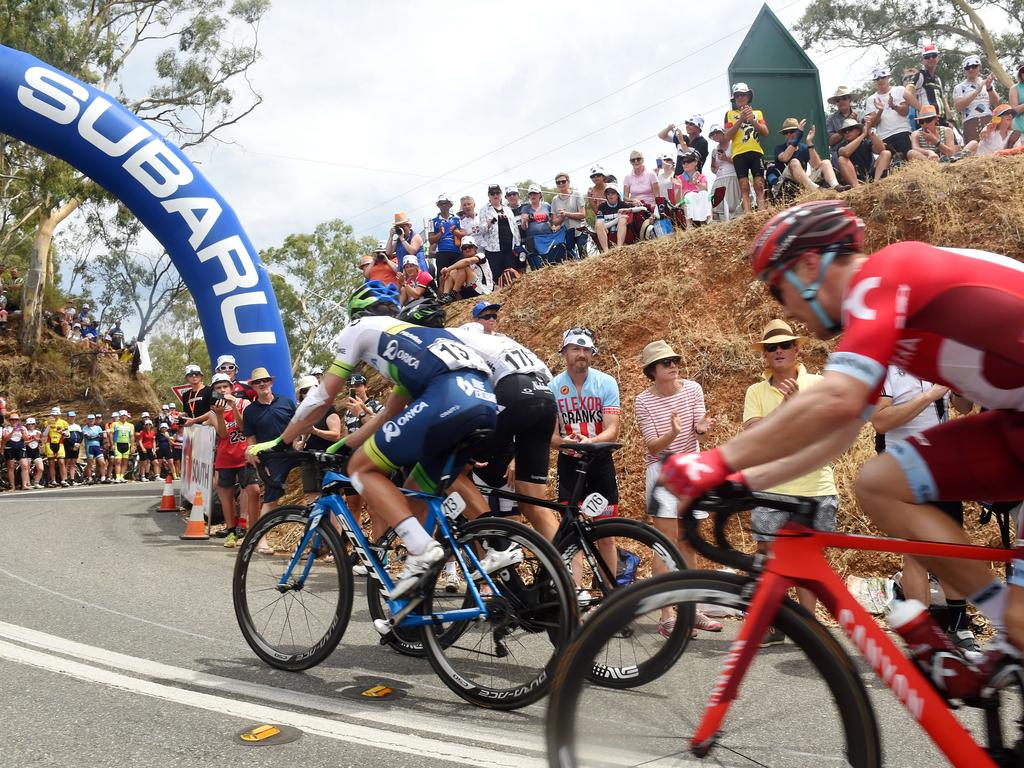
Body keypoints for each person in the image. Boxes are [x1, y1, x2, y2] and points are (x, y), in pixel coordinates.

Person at [659, 199, 1024, 697]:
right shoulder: (876, 315)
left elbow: (835, 399)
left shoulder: (886, 273)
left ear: (810, 264)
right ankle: (1009, 626)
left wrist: (715, 461)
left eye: (779, 289)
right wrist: (743, 481)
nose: (784, 309)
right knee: (878, 483)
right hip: (1014, 422)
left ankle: (1016, 628)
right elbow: (840, 433)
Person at [251, 281, 498, 599]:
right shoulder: (414, 337)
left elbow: (322, 396)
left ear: (355, 312)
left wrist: (282, 441)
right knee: (416, 488)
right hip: (484, 400)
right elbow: (390, 413)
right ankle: (424, 582)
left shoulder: (359, 327)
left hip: (448, 397)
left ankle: (422, 548)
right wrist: (345, 442)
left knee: (361, 468)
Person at [742, 320, 841, 642]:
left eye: (785, 345)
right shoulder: (755, 391)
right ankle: (774, 621)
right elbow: (753, 434)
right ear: (765, 356)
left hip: (815, 487)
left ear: (798, 349)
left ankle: (807, 627)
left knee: (807, 563)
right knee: (768, 557)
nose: (779, 351)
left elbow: (831, 429)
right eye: (772, 347)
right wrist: (786, 408)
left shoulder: (818, 383)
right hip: (771, 488)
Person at [871, 366, 978, 656]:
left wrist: (958, 387)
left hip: (942, 466)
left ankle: (959, 626)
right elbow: (880, 420)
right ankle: (925, 635)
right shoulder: (888, 369)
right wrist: (931, 394)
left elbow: (964, 408)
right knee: (917, 553)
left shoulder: (938, 364)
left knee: (951, 549)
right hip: (902, 468)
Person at [634, 340, 721, 636]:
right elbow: (652, 446)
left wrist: (701, 429)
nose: (673, 366)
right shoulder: (643, 400)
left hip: (690, 469)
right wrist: (674, 430)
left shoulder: (693, 389)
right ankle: (666, 615)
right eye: (665, 363)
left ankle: (692, 608)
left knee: (688, 540)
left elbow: (698, 427)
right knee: (667, 542)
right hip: (663, 471)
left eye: (674, 361)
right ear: (652, 371)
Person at [550, 326, 620, 598]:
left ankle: (611, 595)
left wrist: (590, 442)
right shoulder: (553, 386)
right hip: (569, 465)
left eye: (586, 349)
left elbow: (613, 429)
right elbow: (551, 437)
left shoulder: (606, 382)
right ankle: (576, 592)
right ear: (564, 353)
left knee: (606, 533)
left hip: (599, 463)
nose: (581, 354)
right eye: (575, 349)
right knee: (572, 534)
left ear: (593, 353)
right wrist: (570, 443)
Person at [241, 367, 297, 527]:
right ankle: (261, 538)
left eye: (265, 380)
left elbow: (298, 426)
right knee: (271, 498)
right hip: (271, 458)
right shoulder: (250, 411)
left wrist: (298, 442)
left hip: (294, 453)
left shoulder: (287, 402)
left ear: (271, 382)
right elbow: (251, 441)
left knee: (313, 490)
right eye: (257, 382)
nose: (262, 384)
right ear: (253, 386)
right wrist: (253, 456)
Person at [209, 372, 260, 549]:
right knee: (226, 495)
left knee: (253, 490)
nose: (222, 390)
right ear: (214, 391)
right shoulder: (213, 412)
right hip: (225, 458)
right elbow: (222, 434)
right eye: (218, 388)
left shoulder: (244, 403)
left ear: (231, 388)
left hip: (244, 455)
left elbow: (243, 427)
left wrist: (234, 407)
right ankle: (231, 531)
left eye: (225, 387)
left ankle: (252, 530)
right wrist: (221, 414)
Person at [293, 373, 342, 506]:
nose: (308, 393)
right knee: (313, 500)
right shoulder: (301, 414)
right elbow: (295, 437)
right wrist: (297, 444)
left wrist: (315, 431)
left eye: (311, 389)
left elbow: (336, 435)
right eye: (304, 391)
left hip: (327, 459)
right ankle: (320, 526)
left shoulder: (328, 409)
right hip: (308, 459)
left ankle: (334, 527)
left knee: (331, 498)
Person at [723, 82, 769, 213]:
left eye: (743, 94)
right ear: (734, 98)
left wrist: (752, 120)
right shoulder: (730, 114)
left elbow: (765, 132)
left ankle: (761, 212)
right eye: (737, 95)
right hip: (739, 153)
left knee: (759, 184)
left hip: (756, 151)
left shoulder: (757, 113)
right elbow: (727, 136)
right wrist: (740, 120)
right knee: (744, 186)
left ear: (748, 96)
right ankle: (748, 214)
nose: (740, 98)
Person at [771, 118, 847, 193]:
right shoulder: (779, 148)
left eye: (792, 131)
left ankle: (836, 186)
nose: (789, 134)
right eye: (785, 132)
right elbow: (785, 158)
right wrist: (797, 138)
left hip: (803, 180)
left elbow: (816, 165)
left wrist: (809, 143)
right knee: (794, 162)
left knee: (826, 162)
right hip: (786, 181)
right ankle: (816, 190)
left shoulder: (803, 148)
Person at [864, 66, 916, 159]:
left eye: (883, 77)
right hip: (885, 137)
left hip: (902, 132)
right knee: (893, 168)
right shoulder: (871, 99)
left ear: (888, 77)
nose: (880, 80)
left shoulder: (899, 90)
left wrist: (893, 106)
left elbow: (905, 111)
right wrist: (880, 111)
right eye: (877, 78)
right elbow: (873, 124)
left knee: (910, 162)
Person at [477, 183, 522, 286]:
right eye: (492, 193)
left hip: (509, 248)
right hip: (493, 250)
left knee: (512, 275)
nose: (495, 195)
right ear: (489, 196)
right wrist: (490, 223)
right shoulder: (484, 210)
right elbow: (482, 230)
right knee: (496, 277)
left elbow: (514, 228)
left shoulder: (507, 209)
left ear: (501, 194)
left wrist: (517, 244)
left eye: (497, 193)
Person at [835, 115, 892, 187]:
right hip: (856, 178)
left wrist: (869, 130)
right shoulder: (841, 146)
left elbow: (881, 149)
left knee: (886, 153)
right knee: (841, 159)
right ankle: (856, 186)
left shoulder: (865, 142)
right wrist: (863, 135)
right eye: (844, 131)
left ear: (858, 130)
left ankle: (876, 183)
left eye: (850, 129)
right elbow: (846, 152)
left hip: (871, 174)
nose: (847, 132)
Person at [953, 54, 998, 143]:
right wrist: (976, 91)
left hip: (988, 119)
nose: (971, 69)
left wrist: (989, 88)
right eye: (967, 67)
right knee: (974, 151)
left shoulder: (987, 83)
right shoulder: (959, 87)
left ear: (979, 67)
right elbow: (958, 107)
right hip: (970, 122)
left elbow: (997, 104)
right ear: (964, 70)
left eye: (974, 66)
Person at [907, 104, 976, 162]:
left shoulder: (946, 131)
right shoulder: (916, 134)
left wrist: (934, 140)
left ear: (935, 119)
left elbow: (951, 153)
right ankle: (933, 166)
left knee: (973, 143)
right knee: (911, 153)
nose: (924, 124)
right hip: (930, 161)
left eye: (928, 120)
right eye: (921, 121)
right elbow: (915, 148)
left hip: (950, 160)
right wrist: (929, 152)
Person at [436, 235, 493, 304]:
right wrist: (447, 273)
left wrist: (448, 269)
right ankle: (445, 296)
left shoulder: (481, 255)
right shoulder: (461, 261)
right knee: (451, 273)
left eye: (470, 247)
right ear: (462, 251)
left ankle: (452, 294)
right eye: (464, 248)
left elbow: (466, 262)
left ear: (475, 248)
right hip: (470, 290)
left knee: (462, 267)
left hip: (484, 290)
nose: (467, 249)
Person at [912, 42, 952, 126]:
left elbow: (944, 101)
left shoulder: (938, 79)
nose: (931, 59)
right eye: (927, 57)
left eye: (933, 55)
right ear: (922, 60)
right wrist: (922, 109)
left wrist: (950, 120)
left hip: (942, 120)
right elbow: (907, 94)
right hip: (927, 121)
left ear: (938, 58)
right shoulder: (920, 75)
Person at [550, 172, 589, 261]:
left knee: (583, 253)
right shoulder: (555, 200)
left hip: (580, 230)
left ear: (568, 182)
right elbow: (554, 221)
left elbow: (582, 214)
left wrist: (566, 214)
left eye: (563, 181)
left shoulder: (577, 194)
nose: (561, 184)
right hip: (566, 233)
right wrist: (562, 217)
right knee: (570, 258)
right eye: (558, 182)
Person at [708, 125, 741, 222]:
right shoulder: (714, 151)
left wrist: (726, 158)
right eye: (712, 134)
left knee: (734, 208)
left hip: (732, 178)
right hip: (719, 181)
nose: (715, 135)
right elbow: (712, 167)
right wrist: (716, 170)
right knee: (718, 209)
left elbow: (740, 163)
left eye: (717, 132)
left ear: (723, 132)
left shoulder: (733, 145)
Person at [519, 184, 553, 268]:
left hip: (546, 238)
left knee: (549, 262)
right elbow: (524, 228)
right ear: (529, 196)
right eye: (531, 194)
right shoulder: (525, 208)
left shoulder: (547, 206)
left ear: (540, 195)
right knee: (535, 265)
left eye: (535, 193)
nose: (533, 196)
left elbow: (553, 220)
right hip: (532, 240)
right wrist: (524, 221)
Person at [429, 193, 464, 272]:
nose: (443, 205)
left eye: (445, 203)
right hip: (442, 253)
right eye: (441, 203)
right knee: (442, 278)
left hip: (457, 252)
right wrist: (440, 234)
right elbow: (431, 240)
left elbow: (464, 235)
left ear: (450, 204)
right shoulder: (432, 221)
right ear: (438, 205)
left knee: (458, 278)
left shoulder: (457, 219)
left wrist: (456, 232)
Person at [594, 183, 629, 253]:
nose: (610, 195)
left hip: (620, 229)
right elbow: (600, 225)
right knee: (598, 224)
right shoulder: (602, 207)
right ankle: (606, 252)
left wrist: (635, 203)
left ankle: (619, 248)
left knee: (623, 219)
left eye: (613, 193)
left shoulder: (623, 205)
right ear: (606, 196)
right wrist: (617, 220)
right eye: (608, 194)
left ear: (617, 194)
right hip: (607, 232)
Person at [825, 86, 859, 156]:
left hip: (859, 150)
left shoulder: (860, 114)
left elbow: (866, 135)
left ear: (849, 99)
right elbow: (830, 141)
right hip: (839, 153)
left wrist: (856, 124)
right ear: (836, 103)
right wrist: (846, 128)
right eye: (838, 100)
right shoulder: (831, 119)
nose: (841, 101)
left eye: (844, 98)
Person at [2, 412, 30, 491]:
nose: (14, 421)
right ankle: (12, 486)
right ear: (9, 420)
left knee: (24, 465)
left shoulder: (23, 428)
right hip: (10, 448)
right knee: (11, 467)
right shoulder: (6, 428)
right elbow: (5, 439)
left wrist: (22, 432)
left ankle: (24, 485)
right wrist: (13, 431)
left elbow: (26, 439)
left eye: (16, 419)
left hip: (20, 448)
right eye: (12, 419)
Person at [43, 406, 68, 487]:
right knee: (51, 463)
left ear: (59, 414)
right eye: (53, 414)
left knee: (61, 462)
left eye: (56, 414)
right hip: (49, 444)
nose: (54, 416)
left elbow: (68, 435)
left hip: (60, 444)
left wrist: (62, 432)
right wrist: (49, 425)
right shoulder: (47, 422)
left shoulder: (64, 422)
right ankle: (53, 480)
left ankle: (64, 480)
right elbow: (44, 434)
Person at [110, 410, 135, 483]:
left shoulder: (131, 425)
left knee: (125, 462)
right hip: (117, 444)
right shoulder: (115, 424)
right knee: (118, 461)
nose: (123, 417)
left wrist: (132, 446)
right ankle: (117, 477)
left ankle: (121, 476)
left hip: (126, 444)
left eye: (125, 415)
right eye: (122, 416)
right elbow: (111, 434)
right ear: (119, 417)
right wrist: (112, 444)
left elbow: (132, 436)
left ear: (127, 416)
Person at [23, 416, 44, 489]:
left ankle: (36, 483)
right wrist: (33, 439)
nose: (31, 425)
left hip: (36, 452)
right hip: (27, 451)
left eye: (32, 424)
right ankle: (28, 483)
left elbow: (41, 443)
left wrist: (38, 440)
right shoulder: (25, 432)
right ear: (26, 425)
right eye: (29, 424)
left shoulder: (38, 432)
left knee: (41, 468)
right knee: (27, 469)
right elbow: (23, 443)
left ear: (35, 424)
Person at [1007, 62, 1024, 149]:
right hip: (1021, 132)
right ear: (1020, 74)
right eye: (1023, 71)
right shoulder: (1015, 88)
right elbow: (1014, 112)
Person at [63, 411, 83, 485]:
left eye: (73, 417)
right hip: (68, 446)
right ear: (67, 417)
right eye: (70, 417)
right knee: (66, 463)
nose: (72, 418)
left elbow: (81, 436)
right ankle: (64, 479)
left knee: (73, 463)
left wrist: (78, 444)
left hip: (76, 446)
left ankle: (72, 479)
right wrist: (73, 444)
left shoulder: (77, 426)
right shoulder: (65, 426)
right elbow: (66, 437)